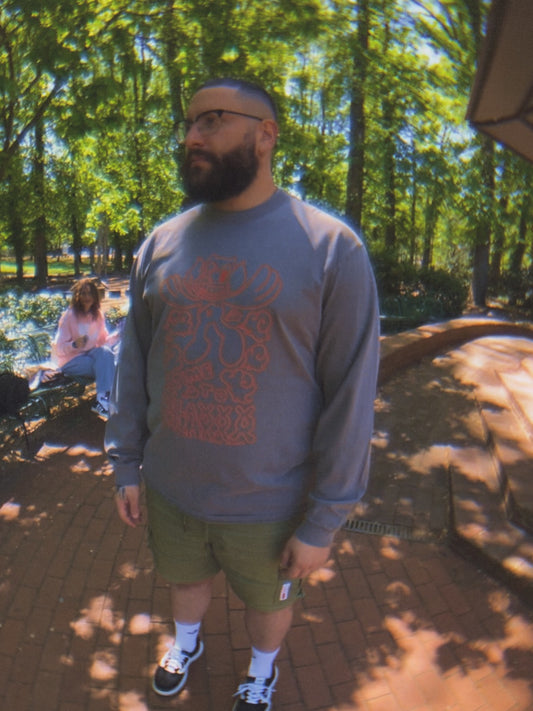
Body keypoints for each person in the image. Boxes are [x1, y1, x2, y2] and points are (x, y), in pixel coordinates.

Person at [105, 77, 380, 710]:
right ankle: (187, 643)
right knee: (184, 582)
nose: (191, 137)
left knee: (268, 604)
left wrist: (325, 519)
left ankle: (261, 672)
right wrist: (125, 461)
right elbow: (133, 362)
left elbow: (350, 391)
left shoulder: (331, 249)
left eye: (212, 120)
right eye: (189, 123)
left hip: (271, 503)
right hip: (172, 489)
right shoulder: (161, 245)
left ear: (265, 135)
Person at [52, 278, 118, 420]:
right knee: (106, 365)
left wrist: (119, 334)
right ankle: (107, 400)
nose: (87, 297)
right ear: (77, 296)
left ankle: (103, 400)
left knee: (106, 354)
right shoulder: (70, 316)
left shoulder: (97, 315)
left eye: (90, 293)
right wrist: (74, 345)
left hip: (89, 355)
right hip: (70, 360)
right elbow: (59, 349)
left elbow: (103, 342)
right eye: (83, 293)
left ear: (95, 296)